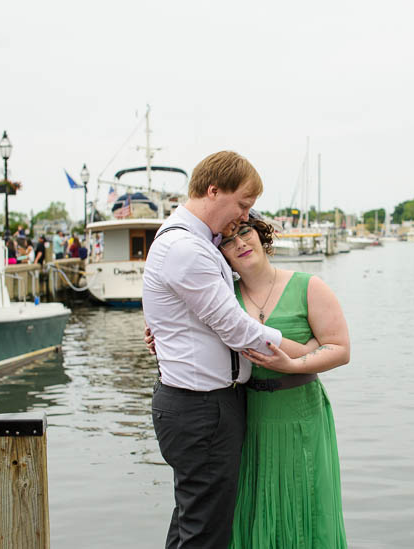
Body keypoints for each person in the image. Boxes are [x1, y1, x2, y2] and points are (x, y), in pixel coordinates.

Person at [142, 151, 319, 549]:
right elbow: (235, 328)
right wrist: (307, 350)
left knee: (193, 519)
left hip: (196, 403)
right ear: (213, 190)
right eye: (242, 204)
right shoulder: (187, 249)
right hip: (202, 407)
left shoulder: (188, 242)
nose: (243, 216)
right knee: (206, 532)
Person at [221, 216, 349, 548]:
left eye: (245, 232)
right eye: (228, 241)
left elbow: (339, 349)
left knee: (305, 501)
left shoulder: (309, 286)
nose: (240, 244)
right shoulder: (223, 297)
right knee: (253, 505)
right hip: (248, 413)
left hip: (300, 411)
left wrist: (292, 363)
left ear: (261, 236)